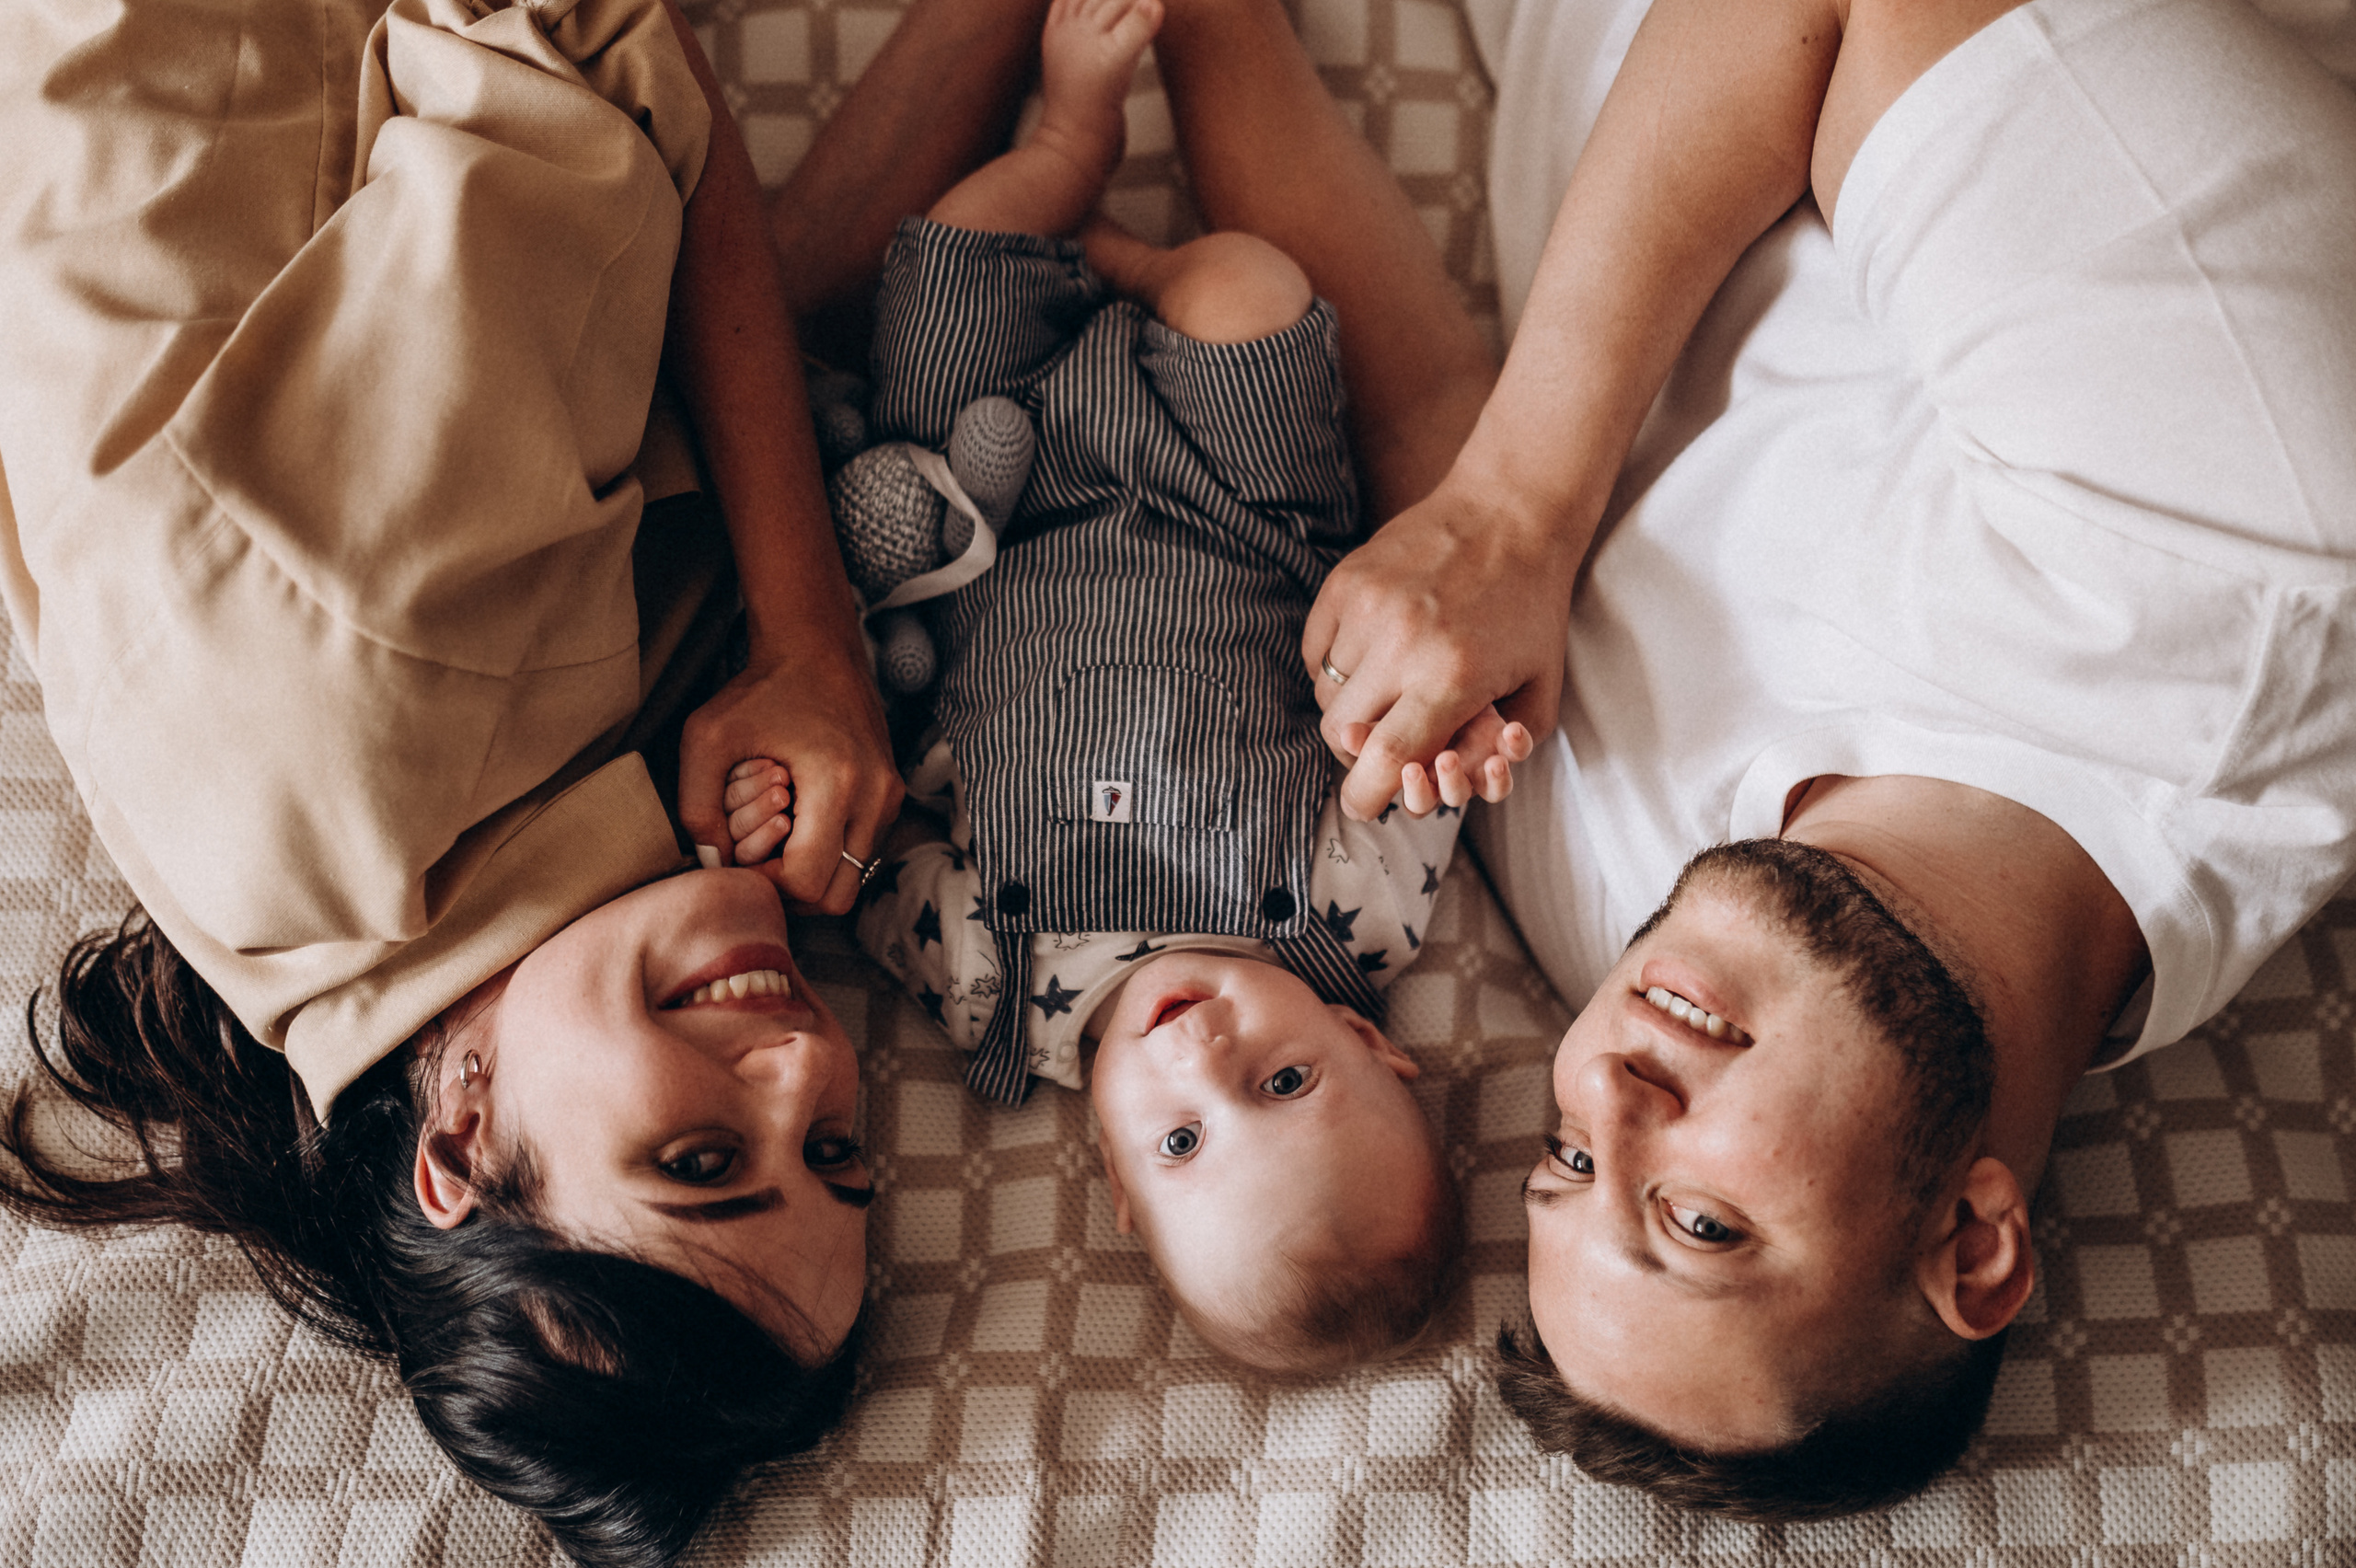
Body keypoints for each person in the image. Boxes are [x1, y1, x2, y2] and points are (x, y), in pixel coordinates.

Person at [1286, 0, 2356, 1520]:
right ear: (1972, 1241)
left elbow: (1428, 431)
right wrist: (1520, 507)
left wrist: (1200, 35)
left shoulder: (1649, 929)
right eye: (1704, 1224)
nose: (1614, 1091)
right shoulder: (2250, 532)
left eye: (1565, 1161)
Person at [0, 2, 903, 1562]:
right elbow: (725, 299)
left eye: (700, 1164)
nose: (804, 1073)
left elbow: (608, 38)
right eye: (836, 1154)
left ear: (461, 1144)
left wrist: (811, 628)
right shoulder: (427, 912)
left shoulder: (389, 693)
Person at [730, 0, 1514, 1373]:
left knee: (948, 267)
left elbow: (869, 858)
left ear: (1111, 1173)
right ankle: (1133, 258)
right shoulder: (1356, 919)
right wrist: (1463, 739)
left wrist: (792, 821)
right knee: (1253, 290)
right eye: (1285, 1081)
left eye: (1182, 1139)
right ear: (1366, 1043)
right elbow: (1416, 739)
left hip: (1000, 505)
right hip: (1237, 506)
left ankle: (1066, 136)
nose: (1205, 1056)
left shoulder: (994, 997)